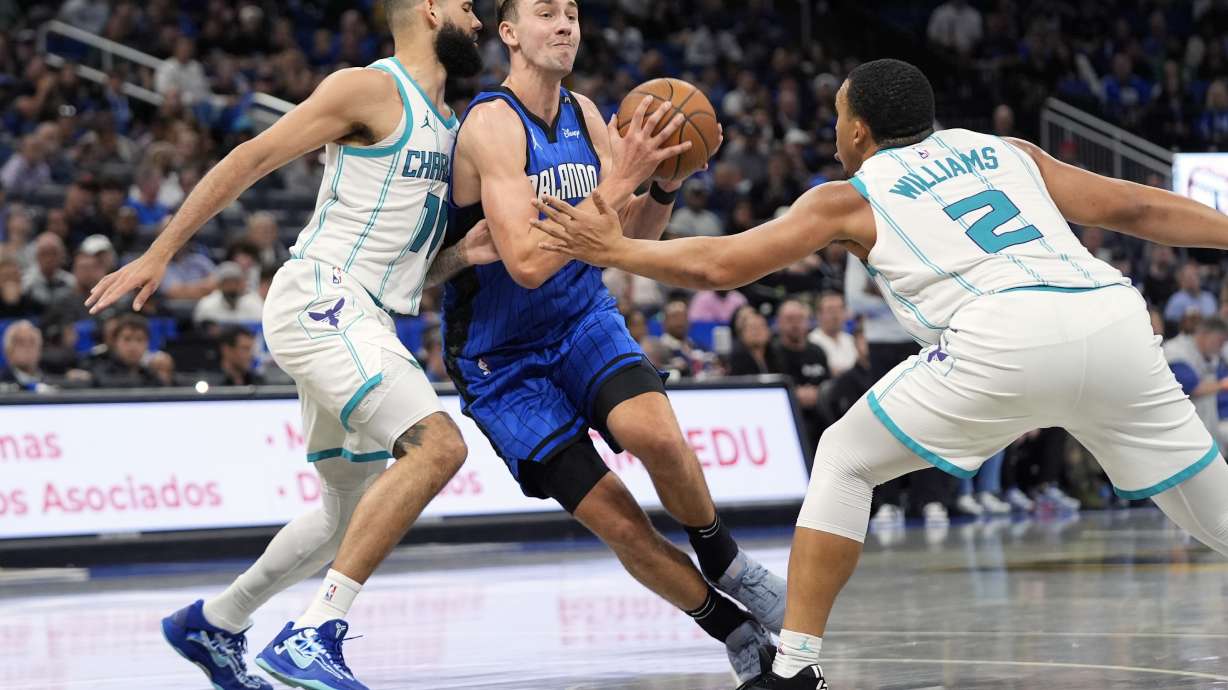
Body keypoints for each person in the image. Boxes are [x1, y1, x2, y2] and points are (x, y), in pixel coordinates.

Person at [533, 58, 1228, 689]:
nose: (834, 131)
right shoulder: (1007, 152)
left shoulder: (848, 196)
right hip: (1113, 320)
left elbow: (723, 264)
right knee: (1214, 518)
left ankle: (796, 668)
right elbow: (1138, 207)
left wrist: (615, 248)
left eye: (837, 117)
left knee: (842, 457)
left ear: (859, 131)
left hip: (1003, 336)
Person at [85, 2, 490, 689]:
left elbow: (409, 273)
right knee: (440, 446)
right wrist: (161, 251)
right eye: (468, 5)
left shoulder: (450, 126)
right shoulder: (369, 87)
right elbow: (252, 157)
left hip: (365, 317)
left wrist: (461, 256)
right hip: (322, 300)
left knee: (346, 518)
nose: (478, 19)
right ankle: (314, 634)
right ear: (428, 8)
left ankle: (214, 621)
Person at [439, 0, 784, 682]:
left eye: (572, 13)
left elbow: (632, 243)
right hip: (500, 358)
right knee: (621, 523)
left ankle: (724, 557)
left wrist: (661, 185)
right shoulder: (490, 124)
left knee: (657, 436)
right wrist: (624, 176)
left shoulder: (589, 114)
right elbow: (527, 264)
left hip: (580, 318)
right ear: (509, 33)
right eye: (547, 13)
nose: (565, 24)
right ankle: (730, 628)